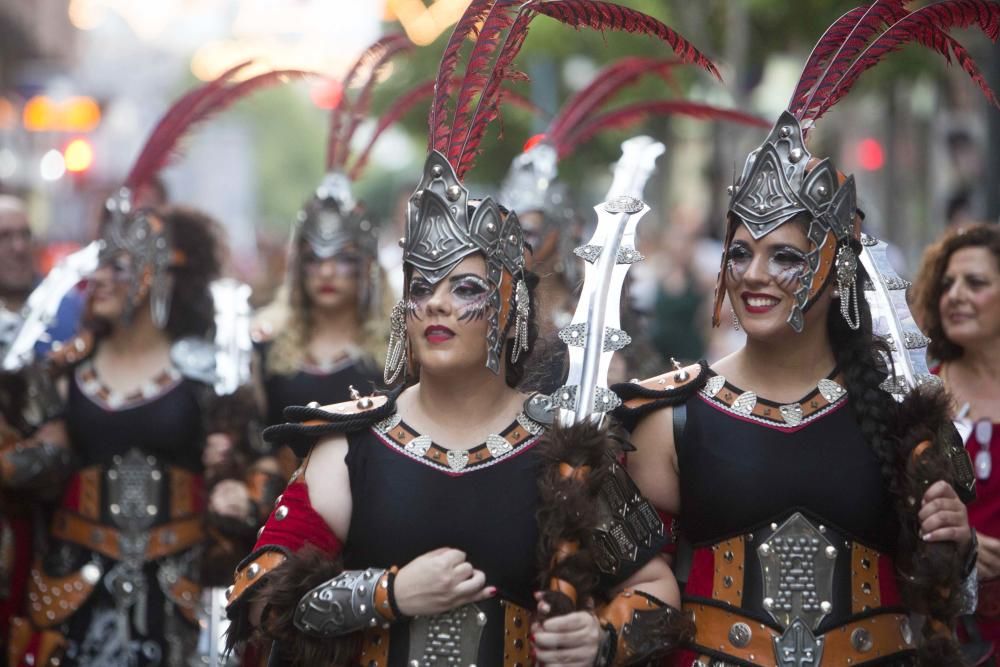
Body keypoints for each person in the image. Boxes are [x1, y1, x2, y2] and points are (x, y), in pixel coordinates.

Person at [224, 3, 727, 665]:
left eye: (464, 287)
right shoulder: (350, 445)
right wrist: (388, 592)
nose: (435, 302)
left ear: (510, 309)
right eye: (420, 285)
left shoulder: (567, 449)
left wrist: (599, 635)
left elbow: (658, 589)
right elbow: (257, 592)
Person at [612, 6, 997, 666]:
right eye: (740, 253)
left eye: (785, 256)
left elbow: (948, 598)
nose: (755, 275)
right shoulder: (667, 415)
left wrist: (955, 544)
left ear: (837, 267)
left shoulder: (906, 415)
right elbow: (631, 591)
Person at [913, 222, 1000, 652]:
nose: (956, 295)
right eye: (947, 284)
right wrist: (960, 544)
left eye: (976, 282)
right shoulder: (920, 397)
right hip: (946, 630)